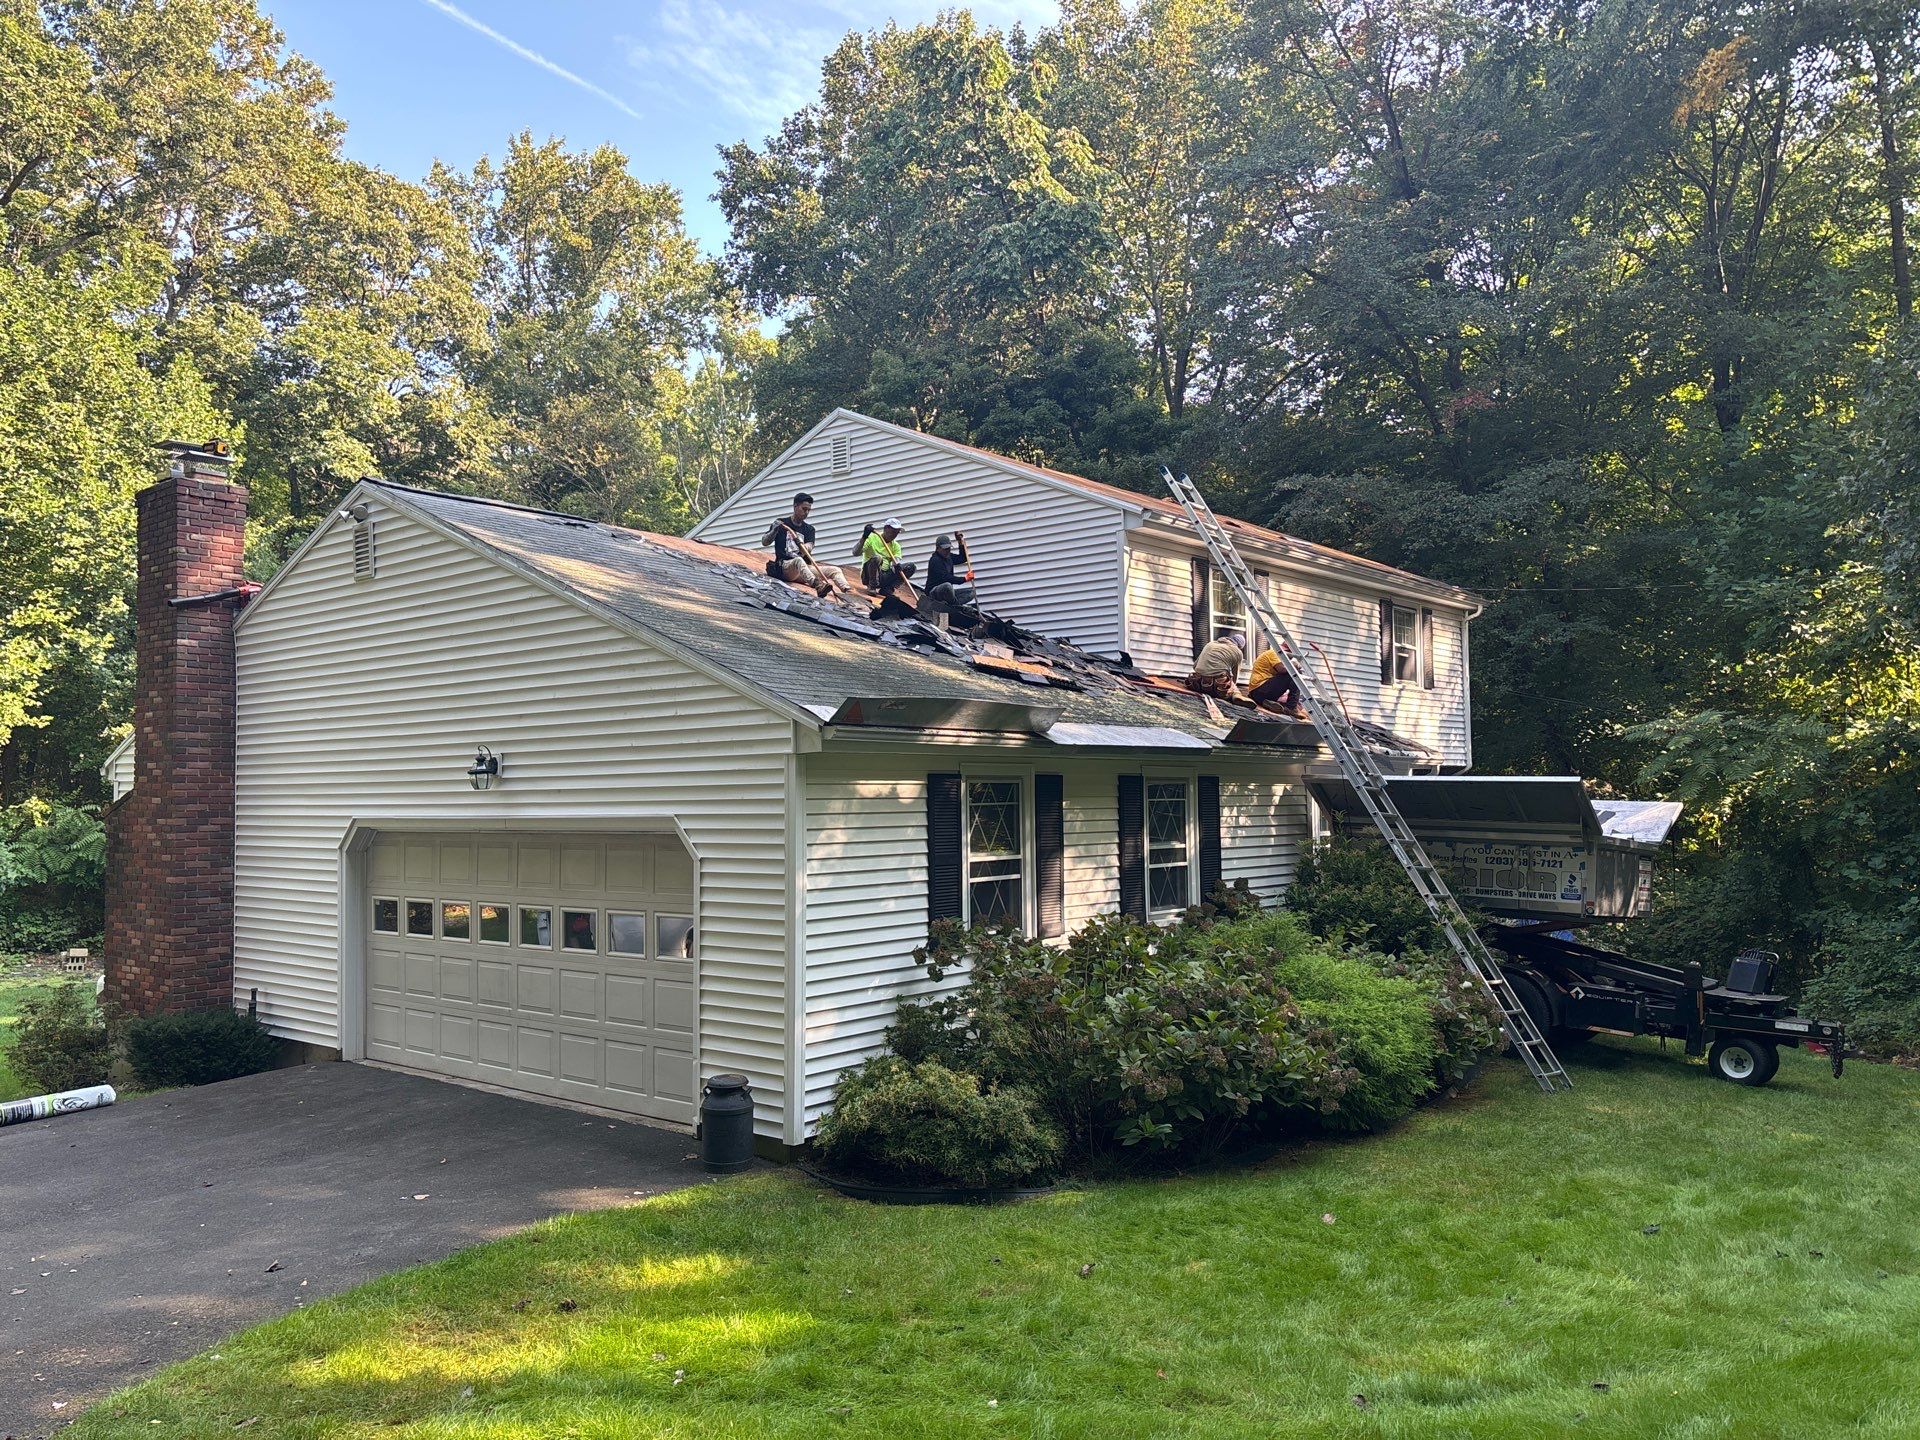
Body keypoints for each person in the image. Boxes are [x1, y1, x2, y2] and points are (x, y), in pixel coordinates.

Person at [760, 492, 847, 596]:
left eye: (808, 510)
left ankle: (848, 592)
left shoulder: (809, 529)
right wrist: (774, 530)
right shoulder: (782, 523)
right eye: (804, 509)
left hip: (802, 570)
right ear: (795, 506)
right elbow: (765, 542)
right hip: (784, 567)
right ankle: (818, 585)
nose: (806, 513)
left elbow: (809, 547)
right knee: (798, 560)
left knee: (835, 570)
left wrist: (803, 546)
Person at [858, 516, 916, 592]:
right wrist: (864, 537)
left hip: (883, 576)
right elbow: (856, 552)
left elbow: (896, 562)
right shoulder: (872, 538)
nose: (894, 535)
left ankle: (889, 588)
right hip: (869, 575)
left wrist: (897, 566)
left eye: (897, 533)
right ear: (885, 528)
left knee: (910, 567)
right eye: (893, 531)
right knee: (877, 558)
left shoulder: (896, 546)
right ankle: (872, 587)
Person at [1185, 631, 1247, 700]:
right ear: (1240, 646)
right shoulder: (1238, 652)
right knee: (1232, 689)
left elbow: (1195, 666)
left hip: (1196, 682)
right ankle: (1236, 695)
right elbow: (1235, 675)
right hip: (1216, 685)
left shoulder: (1210, 644)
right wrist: (1231, 686)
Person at [1249, 645, 1307, 718]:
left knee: (1292, 672)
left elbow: (1280, 681)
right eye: (1290, 656)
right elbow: (1282, 669)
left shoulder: (1275, 656)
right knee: (1294, 673)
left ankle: (1267, 702)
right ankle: (1291, 708)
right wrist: (1294, 665)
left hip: (1258, 693)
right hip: (1260, 689)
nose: (1290, 658)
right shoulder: (1274, 653)